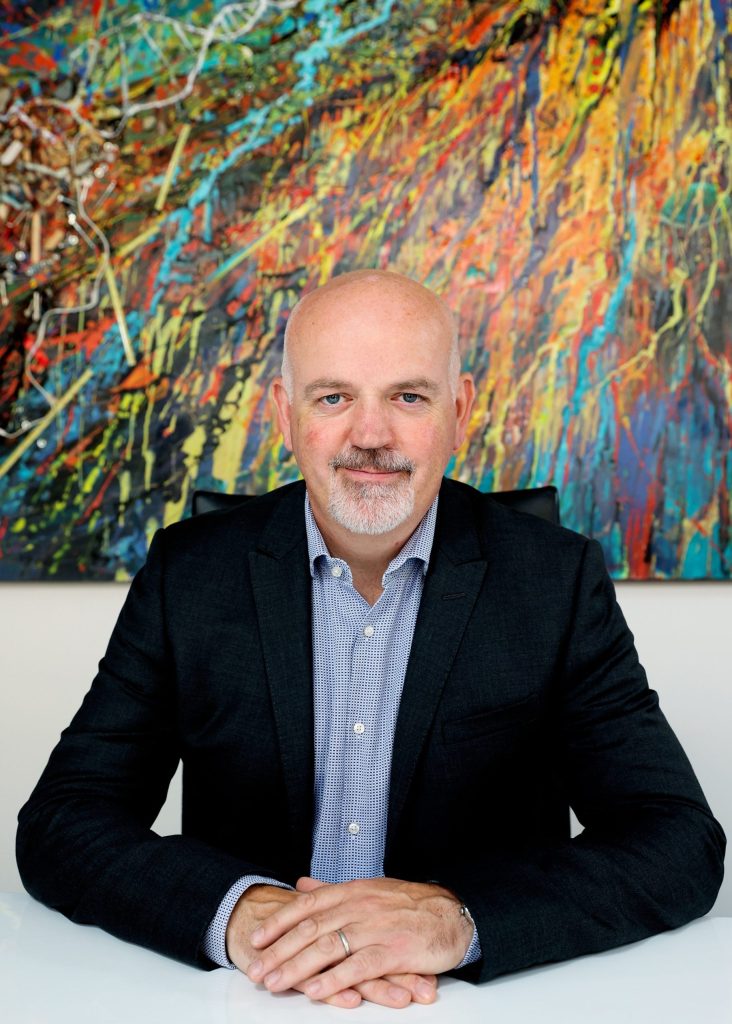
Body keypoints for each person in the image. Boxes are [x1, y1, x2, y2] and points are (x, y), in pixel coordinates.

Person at [17, 270, 725, 1010]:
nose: (370, 436)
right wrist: (240, 914)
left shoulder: (555, 581)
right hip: (256, 999)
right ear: (285, 414)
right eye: (333, 398)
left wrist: (457, 919)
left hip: (467, 1004)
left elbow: (678, 839)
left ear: (460, 411)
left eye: (408, 397)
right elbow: (62, 820)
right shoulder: (188, 576)